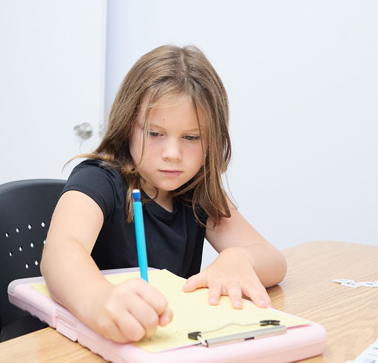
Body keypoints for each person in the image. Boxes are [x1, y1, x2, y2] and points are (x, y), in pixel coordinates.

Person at [40, 45, 287, 344]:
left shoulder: (196, 191)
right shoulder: (98, 178)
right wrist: (99, 300)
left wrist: (240, 258)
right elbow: (60, 252)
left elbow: (274, 260)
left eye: (191, 137)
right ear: (128, 125)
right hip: (90, 346)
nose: (173, 154)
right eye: (155, 134)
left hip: (163, 345)